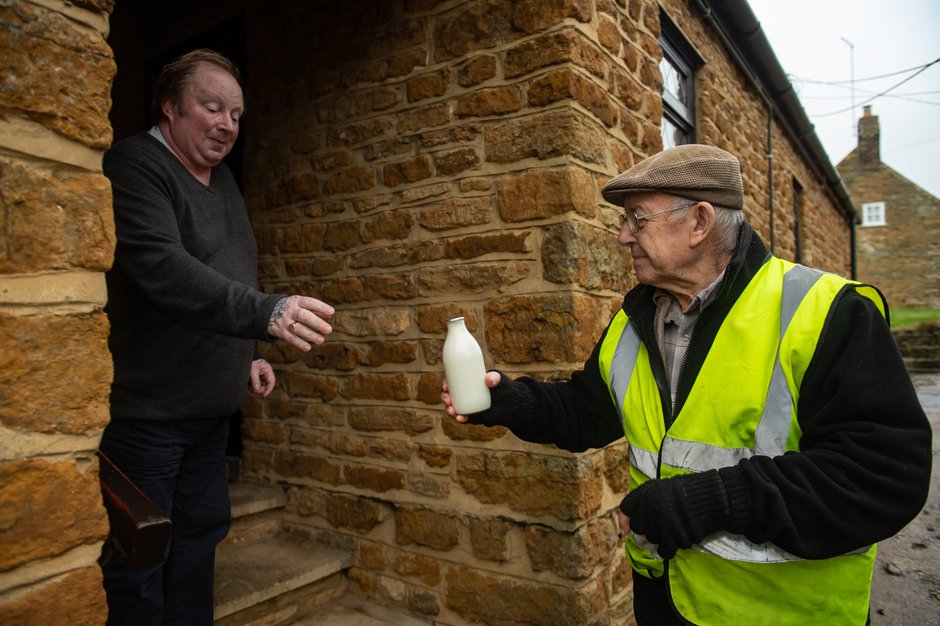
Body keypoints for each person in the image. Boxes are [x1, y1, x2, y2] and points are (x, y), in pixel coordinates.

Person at [441, 144, 932, 625]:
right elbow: (585, 412)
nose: (622, 238)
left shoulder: (828, 311)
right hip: (666, 600)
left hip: (781, 612)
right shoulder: (635, 320)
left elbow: (881, 475)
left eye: (637, 219)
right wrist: (507, 400)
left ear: (699, 222)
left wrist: (708, 499)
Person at [99, 48, 335, 626]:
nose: (228, 124)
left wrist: (248, 353)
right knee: (141, 560)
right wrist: (264, 313)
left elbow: (230, 269)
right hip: (149, 417)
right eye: (212, 107)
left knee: (197, 550)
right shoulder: (136, 165)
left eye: (236, 113)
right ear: (170, 106)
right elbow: (163, 268)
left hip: (211, 413)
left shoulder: (224, 177)